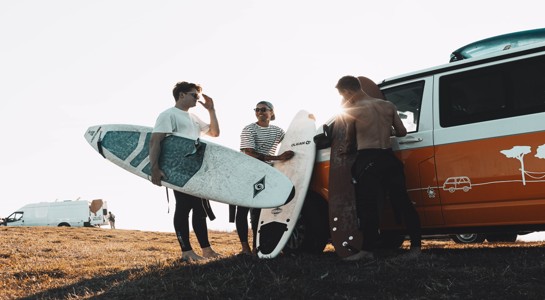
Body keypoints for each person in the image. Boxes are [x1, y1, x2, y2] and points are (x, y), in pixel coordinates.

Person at [335, 75, 422, 261]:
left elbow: (350, 141)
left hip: (368, 160)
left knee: (368, 206)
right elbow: (401, 132)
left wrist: (344, 150)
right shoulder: (388, 105)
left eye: (342, 95)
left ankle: (367, 251)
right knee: (403, 203)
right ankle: (415, 249)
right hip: (389, 159)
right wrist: (383, 130)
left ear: (348, 91)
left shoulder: (354, 109)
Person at [149, 81, 221, 262]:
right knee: (183, 207)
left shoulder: (193, 117)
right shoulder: (168, 115)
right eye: (194, 95)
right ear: (181, 95)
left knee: (200, 209)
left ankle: (206, 250)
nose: (197, 99)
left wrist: (211, 110)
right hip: (178, 168)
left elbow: (215, 133)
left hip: (194, 168)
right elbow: (155, 141)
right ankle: (186, 252)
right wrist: (155, 168)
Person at [230, 101, 294, 255]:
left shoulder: (278, 131)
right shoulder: (249, 129)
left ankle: (257, 247)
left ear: (271, 112)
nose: (259, 112)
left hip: (265, 174)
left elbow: (292, 142)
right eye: (257, 109)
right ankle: (245, 248)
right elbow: (249, 153)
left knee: (259, 212)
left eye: (263, 109)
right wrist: (278, 157)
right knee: (243, 209)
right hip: (246, 172)